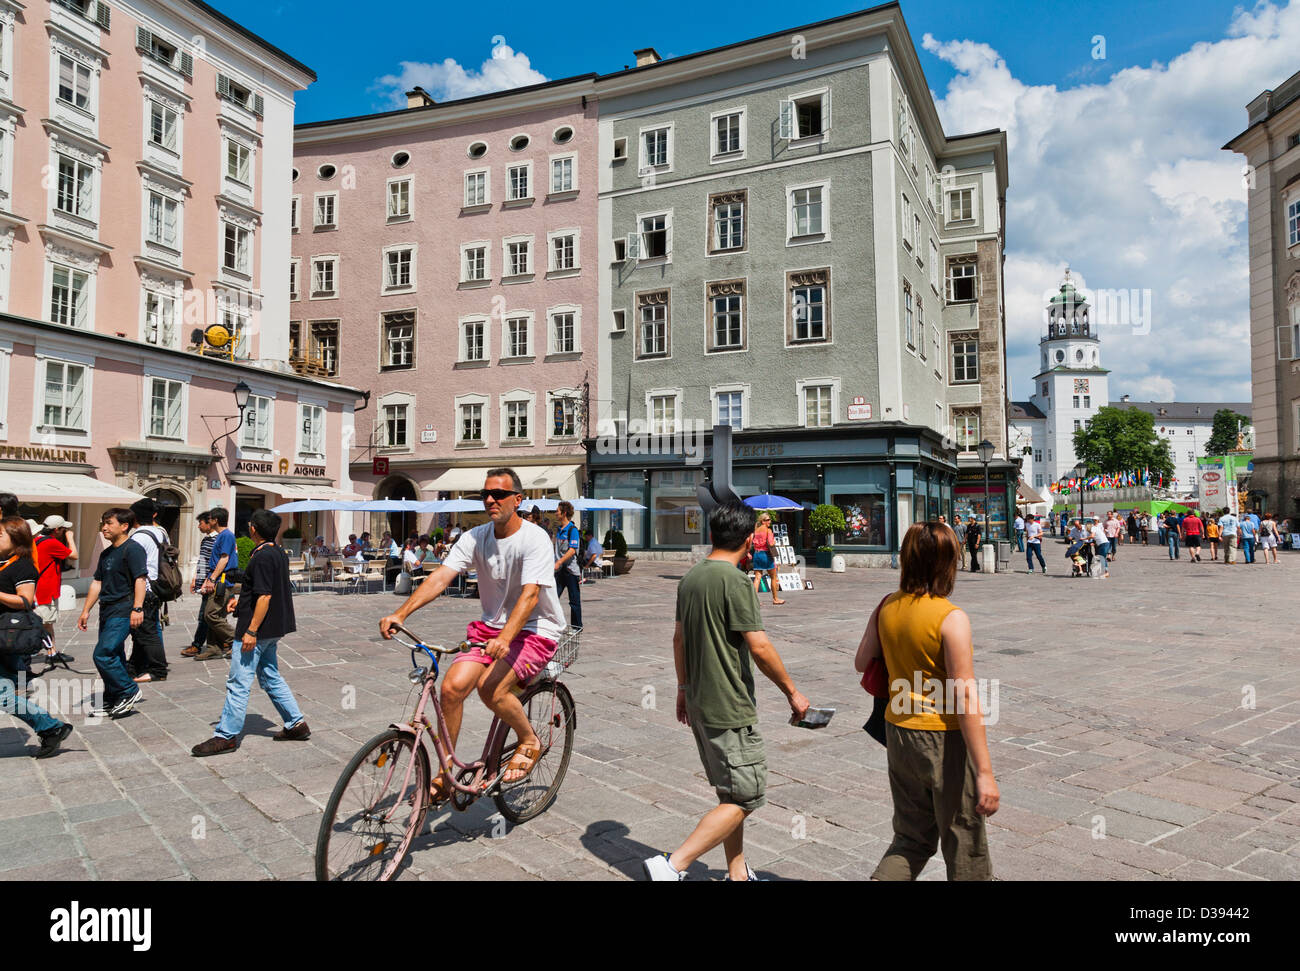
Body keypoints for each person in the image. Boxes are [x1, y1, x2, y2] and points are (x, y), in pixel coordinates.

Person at [642, 502, 810, 881]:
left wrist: (682, 689)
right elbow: (760, 647)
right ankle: (673, 865)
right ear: (750, 540)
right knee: (748, 796)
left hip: (700, 700)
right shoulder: (736, 581)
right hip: (730, 705)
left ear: (712, 534)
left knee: (729, 793)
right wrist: (793, 692)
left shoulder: (691, 579)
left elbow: (679, 639)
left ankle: (737, 873)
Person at [379, 468, 567, 797]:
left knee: (490, 689)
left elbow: (531, 595)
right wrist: (401, 612)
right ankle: (445, 773)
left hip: (537, 628)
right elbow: (441, 578)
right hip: (489, 628)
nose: (490, 499)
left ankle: (529, 738)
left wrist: (507, 637)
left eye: (499, 494)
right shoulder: (475, 537)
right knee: (451, 688)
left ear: (518, 500)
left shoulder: (534, 538)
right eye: (485, 494)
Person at [854, 522, 998, 880]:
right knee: (964, 839)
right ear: (947, 563)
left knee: (911, 838)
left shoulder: (887, 605)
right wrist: (984, 773)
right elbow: (964, 696)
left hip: (898, 730)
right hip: (941, 736)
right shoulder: (950, 618)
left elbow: (861, 662)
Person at [192, 509, 309, 756]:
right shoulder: (275, 552)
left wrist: (251, 630)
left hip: (258, 629)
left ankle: (226, 735)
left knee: (238, 681)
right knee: (270, 676)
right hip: (274, 627)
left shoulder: (263, 555)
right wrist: (241, 602)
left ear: (254, 529)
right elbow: (261, 589)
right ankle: (296, 724)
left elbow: (265, 595)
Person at [0, 518, 74, 758]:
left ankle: (51, 727)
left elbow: (24, 600)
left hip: (8, 639)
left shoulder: (22, 566)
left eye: (0, 535)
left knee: (4, 696)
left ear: (16, 539)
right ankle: (50, 727)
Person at [77, 509, 148, 718]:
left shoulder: (133, 549)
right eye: (103, 523)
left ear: (124, 526)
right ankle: (113, 697)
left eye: (109, 523)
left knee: (103, 653)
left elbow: (140, 579)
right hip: (107, 609)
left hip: (123, 608)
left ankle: (128, 690)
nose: (104, 527)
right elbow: (97, 582)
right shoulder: (106, 553)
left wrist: (137, 608)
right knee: (115, 653)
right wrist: (85, 610)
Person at [126, 497, 170, 683]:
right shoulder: (159, 532)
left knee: (148, 631)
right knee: (142, 630)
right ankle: (134, 666)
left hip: (144, 587)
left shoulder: (138, 537)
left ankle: (158, 670)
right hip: (156, 585)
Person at [33, 515, 78, 668]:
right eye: (64, 529)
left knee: (44, 623)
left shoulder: (37, 540)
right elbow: (74, 555)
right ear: (57, 530)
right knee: (46, 623)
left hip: (37, 588)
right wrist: (70, 538)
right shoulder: (51, 543)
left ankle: (50, 650)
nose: (66, 531)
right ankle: (51, 653)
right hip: (46, 590)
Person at [195, 507, 236, 661]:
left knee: (210, 614)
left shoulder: (226, 536)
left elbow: (224, 559)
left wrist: (212, 579)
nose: (209, 520)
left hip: (222, 580)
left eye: (210, 518)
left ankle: (236, 639)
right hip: (217, 578)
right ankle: (213, 648)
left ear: (215, 520)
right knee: (215, 614)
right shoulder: (221, 536)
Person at [182, 511, 215, 658]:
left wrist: (210, 579)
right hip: (203, 583)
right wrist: (196, 578)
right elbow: (202, 561)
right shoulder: (205, 540)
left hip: (211, 584)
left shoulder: (218, 540)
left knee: (205, 615)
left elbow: (215, 564)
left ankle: (197, 645)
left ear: (209, 523)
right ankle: (219, 644)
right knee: (210, 614)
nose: (198, 526)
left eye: (200, 523)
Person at [552, 501, 584, 629]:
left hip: (571, 571)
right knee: (552, 598)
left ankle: (577, 627)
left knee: (574, 601)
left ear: (564, 513)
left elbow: (572, 550)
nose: (555, 513)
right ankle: (553, 625)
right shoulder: (559, 530)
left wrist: (559, 561)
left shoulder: (572, 530)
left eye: (557, 511)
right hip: (559, 571)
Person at [748, 513, 785, 606]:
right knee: (773, 577)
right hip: (766, 555)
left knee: (757, 578)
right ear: (762, 521)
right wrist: (775, 541)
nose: (769, 521)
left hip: (757, 554)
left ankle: (754, 601)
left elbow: (751, 542)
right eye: (767, 520)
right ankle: (775, 599)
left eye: (770, 520)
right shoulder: (768, 530)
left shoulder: (756, 531)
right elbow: (771, 544)